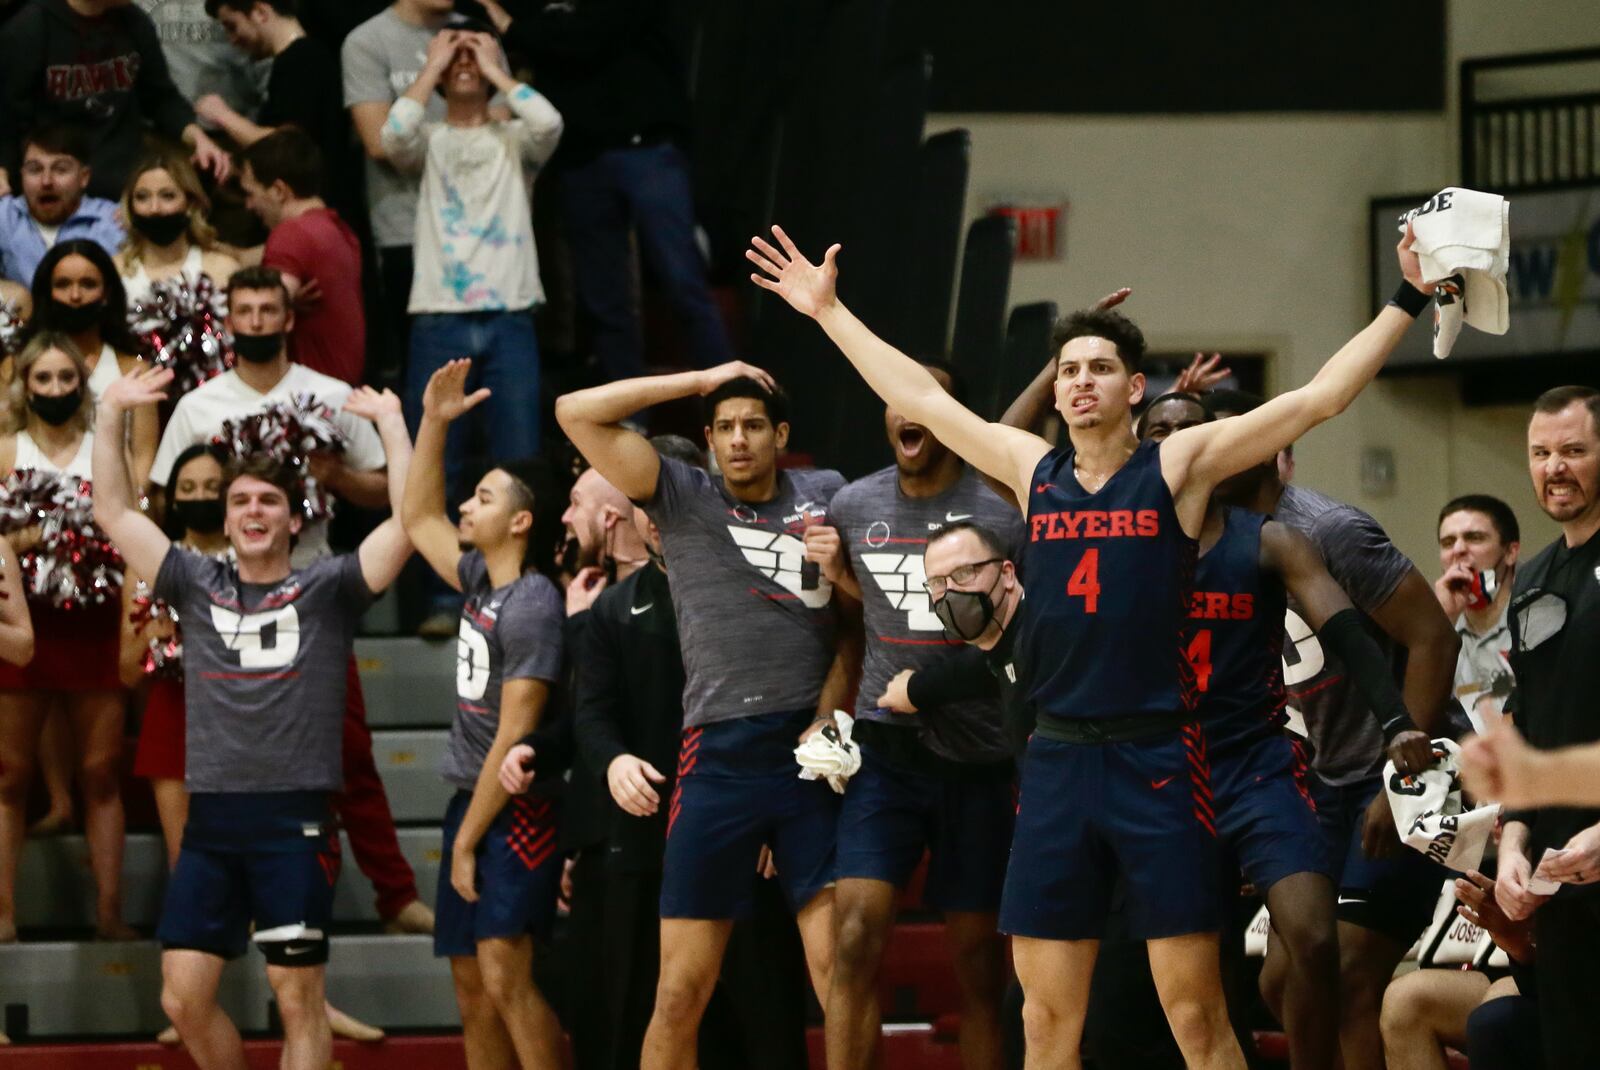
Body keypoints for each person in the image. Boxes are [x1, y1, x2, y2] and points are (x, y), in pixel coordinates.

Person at [747, 222, 1432, 1070]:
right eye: (1068, 368)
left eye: (1098, 367)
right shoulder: (1034, 471)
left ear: (1134, 387)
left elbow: (1319, 398)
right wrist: (827, 311)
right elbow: (923, 400)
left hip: (1158, 760)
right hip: (1059, 761)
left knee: (1195, 1016)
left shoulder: (1179, 466)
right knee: (1044, 1019)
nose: (1078, 382)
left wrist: (1408, 296)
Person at [92, 363, 413, 1070]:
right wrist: (110, 410)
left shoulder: (328, 587)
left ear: (294, 519)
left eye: (268, 500)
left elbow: (410, 523)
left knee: (296, 999)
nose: (252, 511)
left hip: (293, 822)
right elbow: (113, 515)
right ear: (227, 517)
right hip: (212, 823)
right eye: (240, 501)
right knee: (182, 999)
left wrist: (392, 426)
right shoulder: (195, 581)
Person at [556, 363, 853, 1070]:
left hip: (809, 753)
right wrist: (701, 378)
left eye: (753, 424)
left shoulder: (829, 495)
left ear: (781, 434)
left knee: (840, 979)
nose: (739, 439)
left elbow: (859, 626)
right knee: (680, 992)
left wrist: (828, 706)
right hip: (717, 757)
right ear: (709, 440)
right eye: (724, 427)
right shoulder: (680, 496)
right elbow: (575, 410)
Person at [1138, 390, 1438, 1069]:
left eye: (1218, 437)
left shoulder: (1325, 531)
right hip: (1301, 779)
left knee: (1347, 969)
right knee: (1276, 979)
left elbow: (1432, 638)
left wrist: (1401, 776)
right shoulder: (1185, 538)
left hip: (1378, 777)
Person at [151, 265, 433, 936]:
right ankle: (222, 914)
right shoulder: (198, 404)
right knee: (212, 759)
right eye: (242, 309)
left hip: (314, 591)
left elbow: (389, 491)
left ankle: (395, 896)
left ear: (287, 319)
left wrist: (336, 475)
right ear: (227, 320)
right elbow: (166, 497)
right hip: (216, 596)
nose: (254, 320)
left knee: (351, 751)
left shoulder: (332, 395)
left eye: (265, 309)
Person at [811, 362, 1018, 1070]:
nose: (908, 412)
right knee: (854, 936)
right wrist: (822, 714)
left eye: (923, 400)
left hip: (980, 757)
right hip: (887, 752)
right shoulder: (852, 504)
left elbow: (1023, 633)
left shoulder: (998, 512)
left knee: (979, 964)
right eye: (894, 400)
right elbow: (849, 624)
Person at [401, 359, 566, 1069]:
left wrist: (467, 840)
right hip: (473, 798)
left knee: (504, 971)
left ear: (521, 520)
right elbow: (416, 517)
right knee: (470, 986)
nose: (467, 507)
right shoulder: (478, 580)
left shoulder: (533, 602)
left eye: (485, 498)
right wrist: (435, 422)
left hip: (514, 808)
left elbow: (515, 732)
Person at [477, 0, 735, 383]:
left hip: (645, 147)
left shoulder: (526, 18)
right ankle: (631, 421)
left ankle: (730, 405)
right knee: (604, 299)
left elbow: (587, 38)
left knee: (682, 281)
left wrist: (509, 25)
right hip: (580, 158)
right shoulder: (533, 9)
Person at [0, 332, 133, 943]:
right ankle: (3, 916)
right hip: (20, 624)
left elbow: (130, 528)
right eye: (43, 379)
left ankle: (109, 912)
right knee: (9, 775)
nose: (54, 390)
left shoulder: (108, 450)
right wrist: (22, 544)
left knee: (103, 772)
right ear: (24, 385)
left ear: (83, 385)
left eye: (65, 379)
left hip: (95, 623)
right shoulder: (4, 450)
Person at [382, 27, 562, 476]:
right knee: (436, 460)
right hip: (438, 315)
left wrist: (494, 69)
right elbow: (393, 134)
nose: (465, 64)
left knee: (518, 460)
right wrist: (432, 66)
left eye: (473, 58)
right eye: (455, 60)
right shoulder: (429, 138)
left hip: (510, 312)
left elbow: (549, 122)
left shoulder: (516, 138)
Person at [1483, 385, 1600, 1065]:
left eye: (1575, 450)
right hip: (1563, 882)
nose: (1555, 467)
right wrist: (1514, 845)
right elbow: (1527, 722)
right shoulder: (1530, 580)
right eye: (1541, 453)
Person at [342, 0, 495, 390]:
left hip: (484, 229)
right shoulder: (366, 40)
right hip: (406, 227)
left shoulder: (477, 31)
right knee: (429, 380)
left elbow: (508, 120)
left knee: (489, 376)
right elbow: (378, 142)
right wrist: (434, 74)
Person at [0, 0, 230, 201]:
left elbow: (160, 97)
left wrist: (196, 136)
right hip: (58, 186)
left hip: (125, 182)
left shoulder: (134, 21)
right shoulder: (31, 27)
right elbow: (8, 119)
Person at [125, 442, 231, 870]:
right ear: (171, 498)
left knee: (247, 847)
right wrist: (153, 635)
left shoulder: (259, 561)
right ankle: (194, 935)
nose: (200, 496)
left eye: (212, 486)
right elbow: (125, 671)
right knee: (185, 856)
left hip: (246, 712)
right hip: (174, 711)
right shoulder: (148, 565)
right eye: (187, 487)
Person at [197, 0, 356, 220]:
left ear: (261, 12)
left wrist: (222, 115)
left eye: (232, 26)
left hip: (320, 215)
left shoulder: (302, 59)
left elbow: (286, 144)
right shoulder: (294, 60)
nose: (232, 40)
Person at [21, 240, 158, 484]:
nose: (75, 296)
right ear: (47, 293)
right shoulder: (16, 365)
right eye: (63, 285)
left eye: (88, 284)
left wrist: (130, 510)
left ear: (107, 293)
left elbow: (143, 456)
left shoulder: (134, 368)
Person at [238, 131, 365, 386]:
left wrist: (282, 302)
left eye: (251, 193)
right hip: (339, 393)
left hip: (310, 401)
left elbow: (262, 314)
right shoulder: (338, 231)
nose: (249, 205)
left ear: (278, 190)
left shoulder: (291, 234)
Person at [1378, 870, 1535, 1070]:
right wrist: (1517, 944)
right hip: (1528, 968)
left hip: (1574, 978)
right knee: (1404, 998)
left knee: (1497, 1007)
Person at [1434, 494, 1519, 732]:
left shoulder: (1535, 621)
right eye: (1448, 542)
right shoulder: (1436, 630)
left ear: (1511, 552)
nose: (1459, 550)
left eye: (1474, 538)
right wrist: (1440, 622)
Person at [0, 124, 124, 286]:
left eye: (60, 170)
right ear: (21, 175)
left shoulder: (114, 221)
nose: (46, 181)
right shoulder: (5, 217)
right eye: (35, 170)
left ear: (84, 177)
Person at [115, 153, 240, 308]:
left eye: (167, 196)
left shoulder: (223, 269)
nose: (154, 208)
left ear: (190, 203)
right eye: (142, 197)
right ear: (130, 206)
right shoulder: (113, 272)